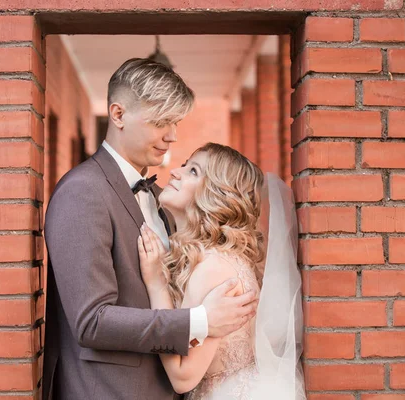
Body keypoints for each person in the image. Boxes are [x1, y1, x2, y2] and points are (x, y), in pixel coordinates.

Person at [42, 59, 259, 400]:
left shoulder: (163, 199)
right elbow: (91, 322)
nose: (172, 136)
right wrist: (200, 321)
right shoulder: (82, 191)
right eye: (161, 122)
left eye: (174, 122)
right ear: (118, 115)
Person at [138, 143, 306, 399]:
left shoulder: (214, 269)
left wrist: (156, 284)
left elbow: (183, 377)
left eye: (193, 171)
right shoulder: (220, 258)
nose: (175, 172)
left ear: (217, 194)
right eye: (185, 165)